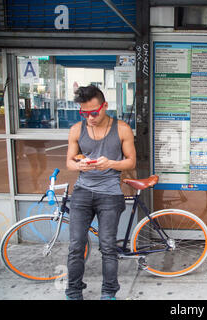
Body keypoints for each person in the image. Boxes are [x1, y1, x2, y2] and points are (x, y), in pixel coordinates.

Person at [65, 85, 136, 300]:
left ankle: (108, 293)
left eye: (94, 112)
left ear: (105, 106)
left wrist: (111, 163)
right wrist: (80, 166)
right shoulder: (77, 129)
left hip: (110, 194)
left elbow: (131, 161)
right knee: (76, 245)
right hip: (82, 192)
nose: (90, 118)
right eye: (84, 113)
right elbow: (69, 161)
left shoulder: (122, 128)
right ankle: (74, 292)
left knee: (107, 246)